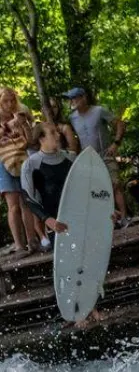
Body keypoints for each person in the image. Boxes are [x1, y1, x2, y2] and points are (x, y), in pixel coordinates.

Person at [63, 87, 130, 226]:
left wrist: (116, 143)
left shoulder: (98, 111)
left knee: (115, 184)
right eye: (70, 99)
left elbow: (120, 124)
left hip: (105, 153)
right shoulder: (72, 117)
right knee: (98, 190)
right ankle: (109, 220)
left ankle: (124, 217)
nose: (72, 101)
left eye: (75, 98)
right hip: (89, 158)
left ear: (83, 98)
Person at [19, 122, 75, 253]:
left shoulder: (71, 157)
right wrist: (47, 219)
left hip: (79, 217)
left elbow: (87, 187)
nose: (58, 135)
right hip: (56, 223)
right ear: (41, 138)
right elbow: (28, 198)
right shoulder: (30, 165)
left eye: (57, 131)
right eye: (52, 132)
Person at [1, 88, 38, 254]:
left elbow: (30, 141)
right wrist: (9, 127)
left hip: (22, 160)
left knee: (26, 202)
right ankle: (19, 245)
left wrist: (24, 124)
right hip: (3, 163)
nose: (9, 104)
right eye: (5, 101)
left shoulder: (19, 114)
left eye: (12, 100)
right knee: (13, 205)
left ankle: (32, 242)